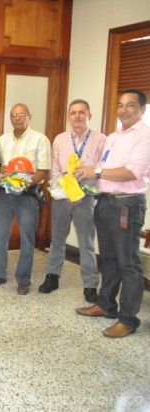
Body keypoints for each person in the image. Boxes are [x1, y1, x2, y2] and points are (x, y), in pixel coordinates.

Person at [75, 89, 150, 338]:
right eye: (120, 105)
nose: (123, 110)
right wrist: (89, 174)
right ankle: (106, 305)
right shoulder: (114, 136)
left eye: (130, 105)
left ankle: (128, 319)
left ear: (142, 109)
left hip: (126, 205)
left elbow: (131, 172)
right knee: (107, 257)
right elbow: (104, 167)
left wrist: (94, 172)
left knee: (128, 262)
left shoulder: (145, 135)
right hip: (105, 202)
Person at [38, 100, 107, 302]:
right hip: (62, 196)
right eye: (73, 113)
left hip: (86, 197)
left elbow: (102, 167)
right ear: (68, 116)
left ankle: (90, 285)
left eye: (81, 112)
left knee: (86, 242)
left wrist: (80, 191)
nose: (77, 116)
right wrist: (68, 191)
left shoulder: (100, 139)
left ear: (89, 115)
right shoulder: (60, 139)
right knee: (57, 239)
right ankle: (52, 276)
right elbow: (55, 169)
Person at [0, 103, 51, 295]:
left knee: (27, 239)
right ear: (10, 118)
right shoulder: (2, 140)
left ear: (29, 116)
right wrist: (2, 169)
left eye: (21, 114)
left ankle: (23, 279)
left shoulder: (40, 139)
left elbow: (43, 170)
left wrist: (23, 183)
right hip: (4, 195)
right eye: (14, 115)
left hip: (27, 196)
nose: (17, 118)